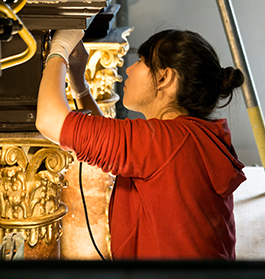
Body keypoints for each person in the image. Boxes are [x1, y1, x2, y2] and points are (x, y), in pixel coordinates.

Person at [36, 29, 247, 260]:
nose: (129, 69)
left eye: (141, 61)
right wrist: (79, 84)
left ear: (164, 78)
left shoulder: (163, 142)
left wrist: (58, 52)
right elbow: (115, 142)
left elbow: (49, 120)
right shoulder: (188, 136)